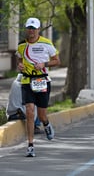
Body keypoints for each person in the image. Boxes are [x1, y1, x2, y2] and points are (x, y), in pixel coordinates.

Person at [16, 17, 61, 157]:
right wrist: (20, 65)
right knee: (29, 111)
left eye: (34, 28)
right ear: (26, 29)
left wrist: (44, 64)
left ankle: (46, 124)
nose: (31, 31)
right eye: (29, 28)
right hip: (27, 81)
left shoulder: (46, 43)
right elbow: (19, 58)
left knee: (41, 115)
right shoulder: (21, 45)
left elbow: (57, 61)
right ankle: (30, 145)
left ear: (38, 29)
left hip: (42, 80)